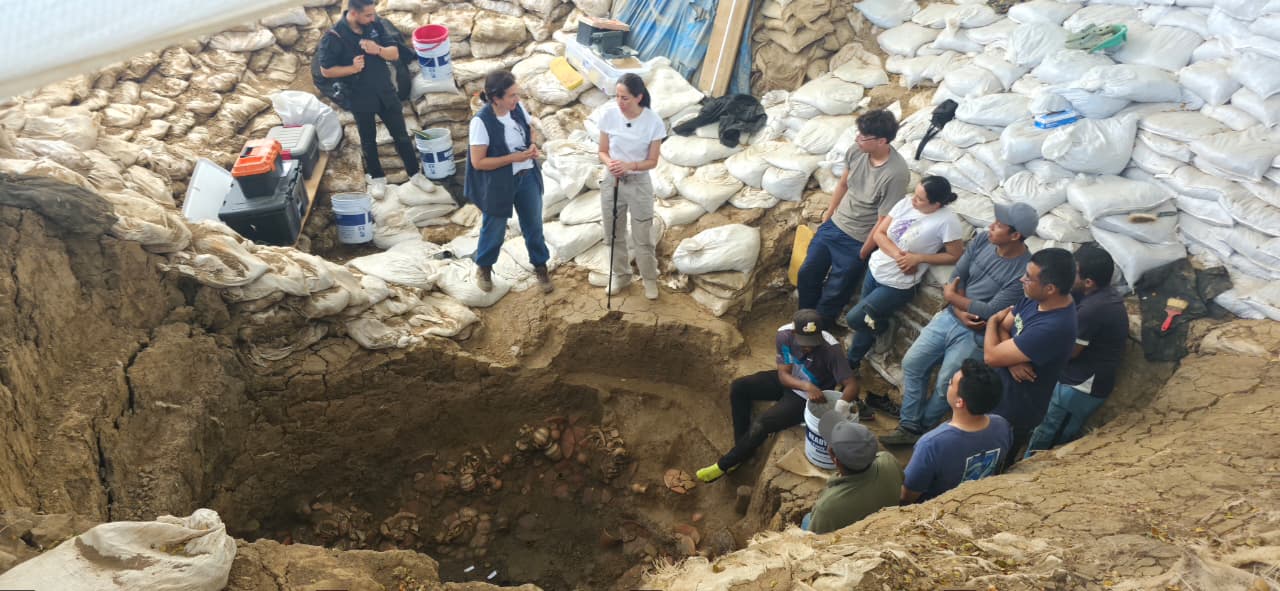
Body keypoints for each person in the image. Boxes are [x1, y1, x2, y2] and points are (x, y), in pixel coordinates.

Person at [880, 202, 1039, 446]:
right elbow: (958, 275)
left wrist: (952, 297)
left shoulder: (1022, 272)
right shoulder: (983, 240)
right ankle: (909, 423)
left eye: (999, 225)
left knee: (947, 385)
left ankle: (920, 428)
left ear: (1015, 235)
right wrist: (957, 307)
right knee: (913, 363)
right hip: (950, 317)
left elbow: (991, 310)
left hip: (976, 335)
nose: (991, 226)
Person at [697, 309, 859, 483]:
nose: (808, 347)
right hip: (793, 382)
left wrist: (838, 411)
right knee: (739, 387)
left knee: (762, 423)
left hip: (807, 399)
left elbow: (852, 385)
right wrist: (806, 385)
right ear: (794, 332)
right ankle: (741, 449)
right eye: (804, 342)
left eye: (813, 342)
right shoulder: (784, 335)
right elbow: (783, 375)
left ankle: (725, 464)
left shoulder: (831, 349)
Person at [844, 176, 964, 397]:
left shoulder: (947, 221)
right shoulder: (905, 203)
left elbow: (955, 255)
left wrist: (919, 258)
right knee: (865, 322)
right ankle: (852, 363)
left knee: (855, 318)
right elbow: (880, 234)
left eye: (920, 199)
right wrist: (900, 256)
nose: (913, 200)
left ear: (936, 204)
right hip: (876, 269)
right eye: (915, 194)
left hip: (897, 285)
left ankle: (883, 326)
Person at [797, 110, 910, 332]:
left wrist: (864, 251)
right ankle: (804, 319)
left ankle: (822, 327)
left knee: (837, 289)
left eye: (863, 137)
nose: (857, 139)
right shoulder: (856, 151)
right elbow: (843, 184)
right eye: (858, 134)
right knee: (808, 272)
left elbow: (884, 219)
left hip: (857, 239)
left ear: (881, 141)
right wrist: (828, 217)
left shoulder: (896, 174)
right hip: (835, 225)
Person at [1024, 244, 1127, 456]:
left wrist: (1025, 355)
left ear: (1088, 282)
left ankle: (1028, 470)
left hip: (1079, 388)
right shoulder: (1094, 296)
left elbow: (1069, 351)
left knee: (1049, 436)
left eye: (1074, 272)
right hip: (1072, 378)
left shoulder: (1093, 309)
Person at [984, 248, 1078, 467]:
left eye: (1028, 277)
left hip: (1015, 409)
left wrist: (990, 322)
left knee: (991, 463)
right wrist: (1013, 360)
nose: (1021, 279)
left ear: (1050, 288)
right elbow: (1005, 327)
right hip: (998, 392)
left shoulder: (1054, 327)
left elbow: (991, 355)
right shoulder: (1033, 298)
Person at [463, 70, 553, 294]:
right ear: (496, 98)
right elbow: (478, 162)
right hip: (499, 183)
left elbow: (529, 130)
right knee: (494, 228)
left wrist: (531, 145)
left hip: (527, 176)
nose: (517, 99)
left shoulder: (516, 108)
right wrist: (514, 158)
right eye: (512, 95)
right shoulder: (481, 122)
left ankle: (540, 266)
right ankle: (484, 267)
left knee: (533, 225)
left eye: (517, 94)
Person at [317, 0, 419, 197]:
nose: (373, 18)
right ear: (354, 13)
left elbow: (394, 53)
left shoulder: (375, 24)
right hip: (359, 96)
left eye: (373, 14)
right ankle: (377, 178)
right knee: (368, 141)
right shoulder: (334, 36)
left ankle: (415, 174)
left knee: (401, 136)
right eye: (368, 15)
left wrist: (377, 49)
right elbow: (326, 71)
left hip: (385, 91)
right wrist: (352, 69)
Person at [900, 358, 1011, 504]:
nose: (948, 383)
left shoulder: (932, 444)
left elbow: (907, 495)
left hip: (936, 507)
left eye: (951, 383)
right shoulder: (1002, 426)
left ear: (960, 402)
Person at [597, 73, 667, 300]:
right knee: (613, 232)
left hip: (639, 183)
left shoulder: (653, 122)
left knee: (642, 235)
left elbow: (652, 161)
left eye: (625, 98)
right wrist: (611, 164)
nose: (620, 102)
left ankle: (649, 279)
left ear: (638, 97)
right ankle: (620, 275)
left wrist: (630, 166)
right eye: (617, 96)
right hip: (613, 180)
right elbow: (602, 151)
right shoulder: (609, 115)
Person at [802, 411, 902, 534]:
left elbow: (815, 540)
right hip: (882, 526)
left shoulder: (827, 507)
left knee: (807, 519)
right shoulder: (888, 460)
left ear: (835, 459)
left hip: (851, 540)